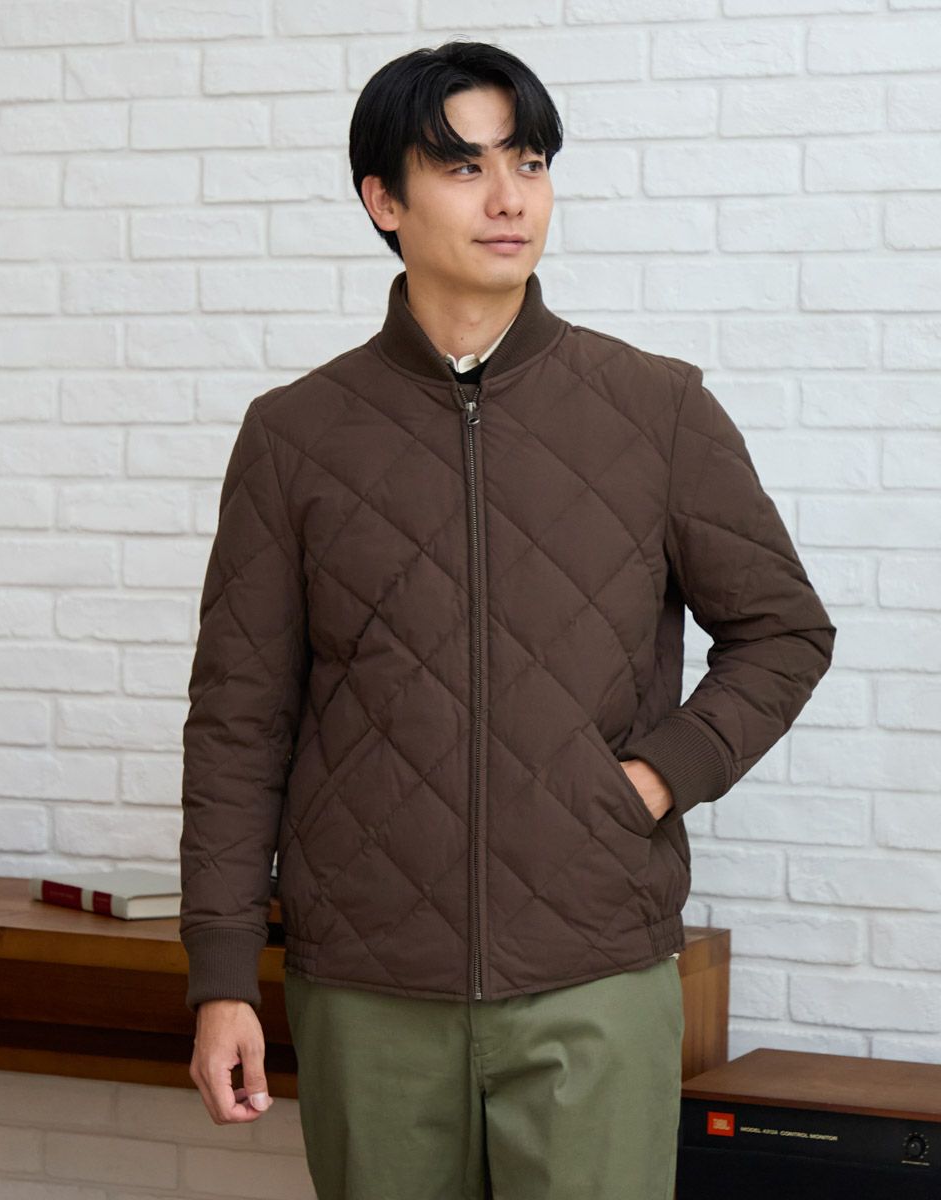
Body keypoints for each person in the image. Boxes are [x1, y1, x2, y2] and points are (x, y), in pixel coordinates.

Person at [180, 39, 836, 1199]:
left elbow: (785, 630)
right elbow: (239, 721)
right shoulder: (295, 437)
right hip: (367, 989)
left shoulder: (656, 409)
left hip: (594, 974)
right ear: (384, 201)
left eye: (528, 163)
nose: (508, 197)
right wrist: (222, 975)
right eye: (463, 166)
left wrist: (656, 777)